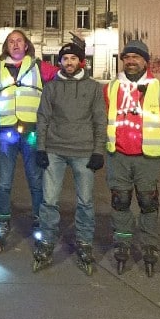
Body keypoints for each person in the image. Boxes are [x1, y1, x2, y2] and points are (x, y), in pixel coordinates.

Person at [105, 39, 160, 277]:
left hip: (147, 157)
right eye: (126, 57)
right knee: (121, 200)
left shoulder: (159, 89)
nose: (130, 61)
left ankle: (149, 244)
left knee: (148, 201)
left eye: (135, 57)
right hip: (118, 154)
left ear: (145, 62)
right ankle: (123, 243)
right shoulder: (111, 88)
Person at [33, 42, 107, 274]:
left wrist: (98, 150)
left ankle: (84, 242)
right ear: (60, 62)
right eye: (65, 59)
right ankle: (47, 241)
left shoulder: (93, 88)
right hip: (55, 149)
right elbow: (43, 118)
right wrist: (41, 148)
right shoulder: (51, 87)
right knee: (49, 200)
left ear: (80, 61)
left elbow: (99, 120)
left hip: (83, 151)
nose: (69, 63)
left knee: (85, 201)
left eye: (73, 59)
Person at [0, 29, 58, 253]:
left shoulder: (39, 66)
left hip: (31, 131)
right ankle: (3, 220)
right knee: (4, 181)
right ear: (6, 47)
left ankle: (39, 219)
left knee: (35, 179)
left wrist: (78, 59)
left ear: (26, 46)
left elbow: (64, 73)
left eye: (19, 41)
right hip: (5, 131)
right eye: (11, 42)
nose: (15, 45)